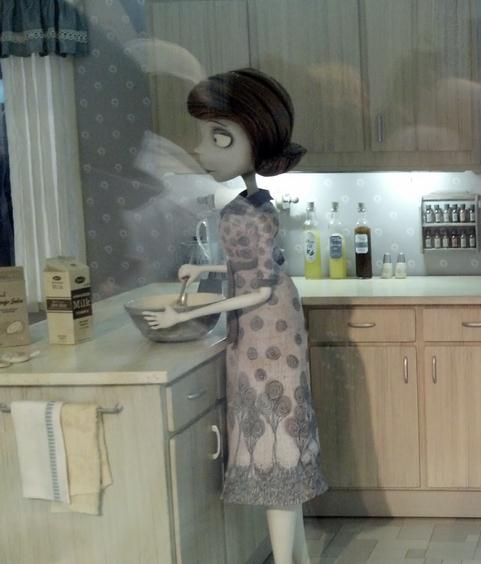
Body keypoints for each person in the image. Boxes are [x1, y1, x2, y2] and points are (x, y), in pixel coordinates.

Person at [143, 68, 328, 564]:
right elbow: (253, 267)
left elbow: (259, 287)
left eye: (218, 137)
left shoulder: (250, 209)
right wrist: (206, 269)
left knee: (275, 437)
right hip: (269, 325)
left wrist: (192, 309)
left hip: (268, 330)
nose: (201, 148)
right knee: (279, 436)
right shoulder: (253, 201)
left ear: (257, 139)